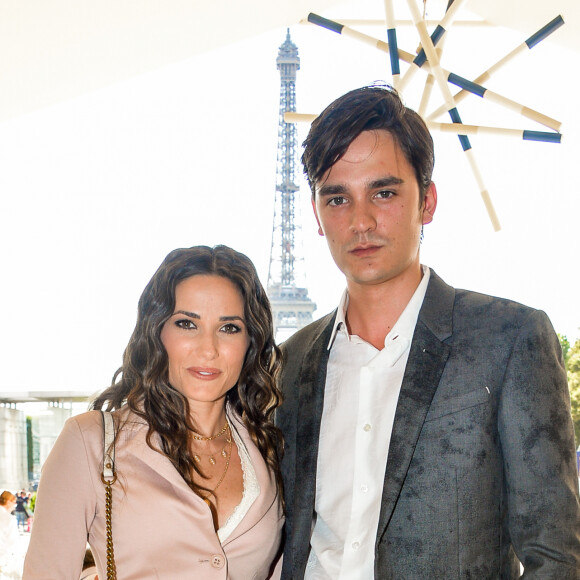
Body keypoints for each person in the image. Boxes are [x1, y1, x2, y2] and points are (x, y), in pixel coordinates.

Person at [276, 84, 580, 578]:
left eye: (385, 192)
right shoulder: (287, 365)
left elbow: (555, 557)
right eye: (337, 198)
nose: (361, 220)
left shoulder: (509, 338)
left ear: (428, 201)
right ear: (316, 214)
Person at [24, 245, 284, 579]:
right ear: (157, 332)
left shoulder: (266, 449)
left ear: (251, 341)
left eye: (229, 327)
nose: (208, 348)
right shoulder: (89, 442)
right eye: (187, 323)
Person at [0, 491, 19, 579]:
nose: (15, 505)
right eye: (14, 502)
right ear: (8, 502)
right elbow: (12, 542)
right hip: (3, 559)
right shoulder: (9, 519)